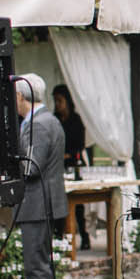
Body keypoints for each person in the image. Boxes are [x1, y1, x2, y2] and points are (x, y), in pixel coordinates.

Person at [12, 72, 67, 279]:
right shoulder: (47, 120)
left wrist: (11, 163)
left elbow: (31, 167)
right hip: (43, 202)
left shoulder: (39, 124)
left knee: (36, 263)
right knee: (40, 261)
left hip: (37, 203)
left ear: (21, 96)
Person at [51, 83, 91, 248]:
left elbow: (80, 146)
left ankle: (84, 235)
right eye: (56, 101)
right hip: (57, 166)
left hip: (73, 164)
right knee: (58, 202)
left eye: (60, 101)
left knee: (78, 205)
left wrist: (68, 155)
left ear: (67, 101)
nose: (58, 105)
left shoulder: (76, 120)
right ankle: (60, 237)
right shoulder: (55, 119)